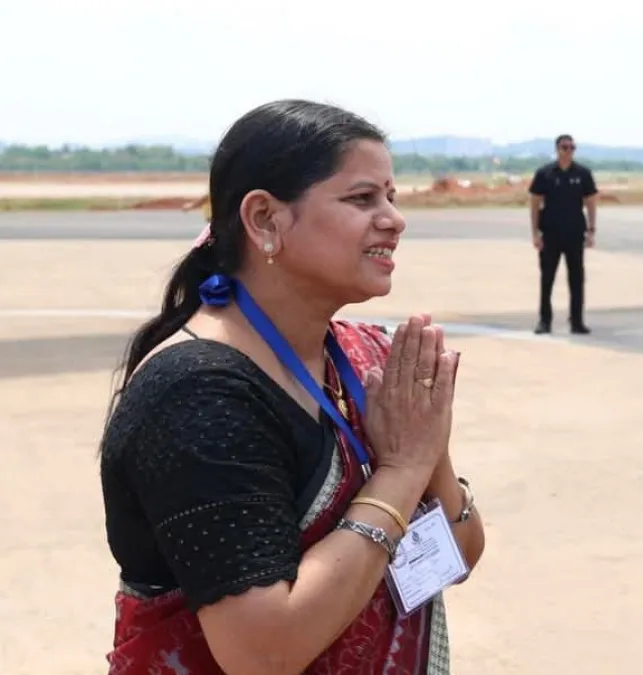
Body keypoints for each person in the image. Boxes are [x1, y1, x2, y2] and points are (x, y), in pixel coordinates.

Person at [99, 99, 486, 675]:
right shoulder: (197, 394)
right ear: (264, 219)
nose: (394, 219)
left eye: (391, 196)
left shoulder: (367, 358)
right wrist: (402, 471)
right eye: (362, 198)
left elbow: (456, 552)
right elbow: (262, 652)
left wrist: (427, 452)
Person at [528, 134, 598, 334]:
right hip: (550, 234)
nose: (568, 151)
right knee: (547, 279)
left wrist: (591, 230)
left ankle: (577, 321)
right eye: (564, 147)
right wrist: (535, 233)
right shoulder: (545, 173)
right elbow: (534, 204)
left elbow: (591, 203)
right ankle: (544, 321)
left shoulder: (583, 174)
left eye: (571, 147)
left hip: (575, 233)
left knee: (577, 278)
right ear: (557, 149)